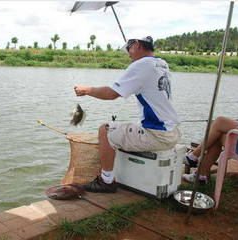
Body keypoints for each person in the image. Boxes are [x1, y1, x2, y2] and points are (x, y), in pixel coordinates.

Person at [74, 36, 181, 193]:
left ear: (136, 45)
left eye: (129, 50)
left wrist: (86, 90)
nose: (128, 54)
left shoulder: (142, 65)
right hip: (174, 132)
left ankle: (107, 181)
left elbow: (111, 93)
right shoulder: (161, 63)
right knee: (126, 126)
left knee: (105, 130)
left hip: (157, 135)